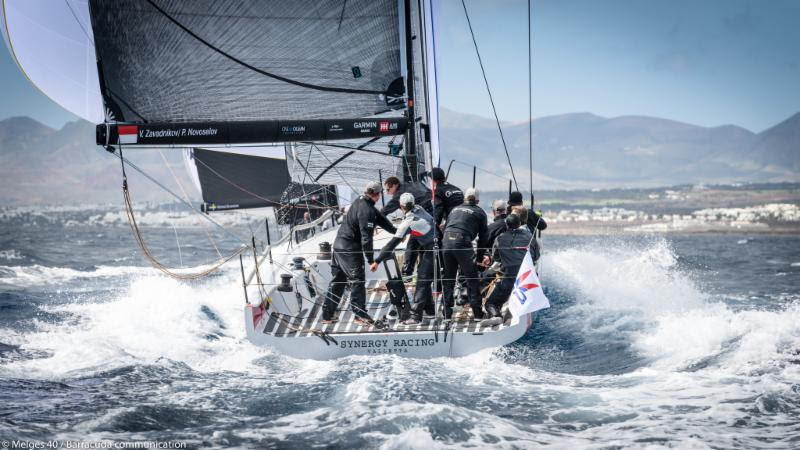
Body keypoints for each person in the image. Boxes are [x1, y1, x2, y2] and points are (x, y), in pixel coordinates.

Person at [321, 182, 397, 325]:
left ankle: (327, 315)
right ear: (377, 195)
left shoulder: (361, 202)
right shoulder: (366, 210)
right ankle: (359, 315)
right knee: (357, 280)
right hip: (350, 249)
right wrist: (370, 260)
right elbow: (366, 239)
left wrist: (396, 231)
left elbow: (380, 218)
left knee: (338, 281)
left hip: (338, 246)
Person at [370, 192, 435, 324]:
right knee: (425, 278)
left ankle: (415, 317)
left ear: (401, 206)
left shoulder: (408, 222)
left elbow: (391, 245)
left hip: (433, 250)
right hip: (435, 246)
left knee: (422, 281)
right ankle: (429, 311)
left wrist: (377, 261)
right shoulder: (420, 209)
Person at [441, 187, 489, 320]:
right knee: (472, 279)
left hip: (446, 241)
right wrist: (479, 259)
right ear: (477, 200)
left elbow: (445, 228)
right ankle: (478, 314)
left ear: (465, 198)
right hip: (462, 242)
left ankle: (446, 314)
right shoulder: (480, 212)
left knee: (448, 279)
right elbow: (483, 238)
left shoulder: (454, 209)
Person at [484, 209, 536, 319]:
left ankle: (496, 316)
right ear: (520, 224)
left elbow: (496, 258)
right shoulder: (529, 237)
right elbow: (536, 256)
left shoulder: (499, 239)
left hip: (509, 279)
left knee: (490, 303)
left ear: (506, 225)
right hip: (527, 278)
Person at [380, 176, 433, 277]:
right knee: (423, 243)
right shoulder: (411, 183)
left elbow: (383, 213)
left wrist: (371, 223)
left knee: (412, 242)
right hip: (433, 213)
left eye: (388, 189)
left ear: (395, 185)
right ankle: (421, 271)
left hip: (423, 215)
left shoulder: (399, 196)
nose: (387, 192)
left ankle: (407, 271)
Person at [507, 191, 547, 261]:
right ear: (521, 202)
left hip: (509, 252)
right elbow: (543, 226)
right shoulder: (529, 213)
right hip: (528, 250)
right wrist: (538, 216)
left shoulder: (506, 213)